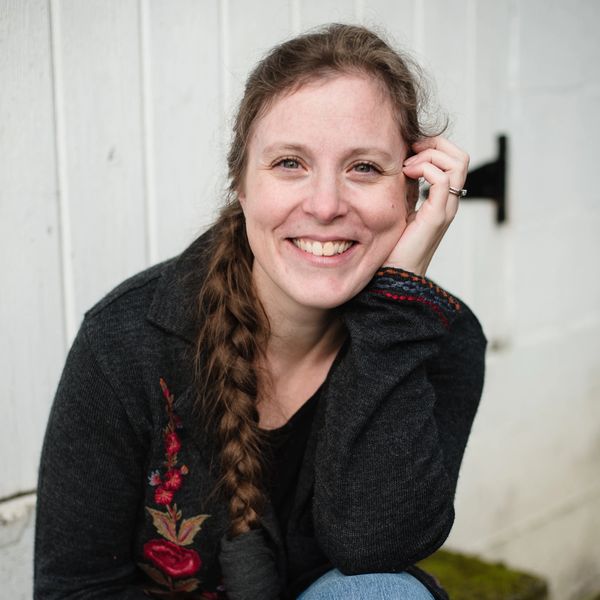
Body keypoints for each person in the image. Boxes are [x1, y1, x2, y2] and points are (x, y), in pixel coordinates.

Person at [34, 23, 486, 600]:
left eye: (365, 168)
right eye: (290, 163)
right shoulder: (125, 341)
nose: (325, 206)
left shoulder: (440, 337)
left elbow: (377, 549)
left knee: (383, 592)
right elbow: (74, 590)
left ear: (414, 195)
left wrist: (397, 308)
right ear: (241, 185)